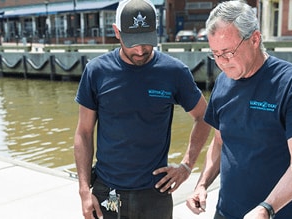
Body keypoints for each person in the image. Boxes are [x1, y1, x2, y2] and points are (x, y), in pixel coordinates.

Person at [186, 1, 292, 219]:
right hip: (226, 213)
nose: (222, 63)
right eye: (215, 54)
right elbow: (219, 143)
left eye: (228, 52)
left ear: (255, 39)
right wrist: (202, 184)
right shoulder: (223, 83)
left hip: (278, 213)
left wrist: (266, 209)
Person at [73, 0, 211, 218]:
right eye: (133, 42)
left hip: (155, 194)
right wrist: (83, 191)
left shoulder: (174, 72)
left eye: (146, 41)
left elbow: (203, 115)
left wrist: (186, 166)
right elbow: (84, 132)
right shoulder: (96, 71)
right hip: (107, 190)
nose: (140, 49)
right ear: (116, 32)